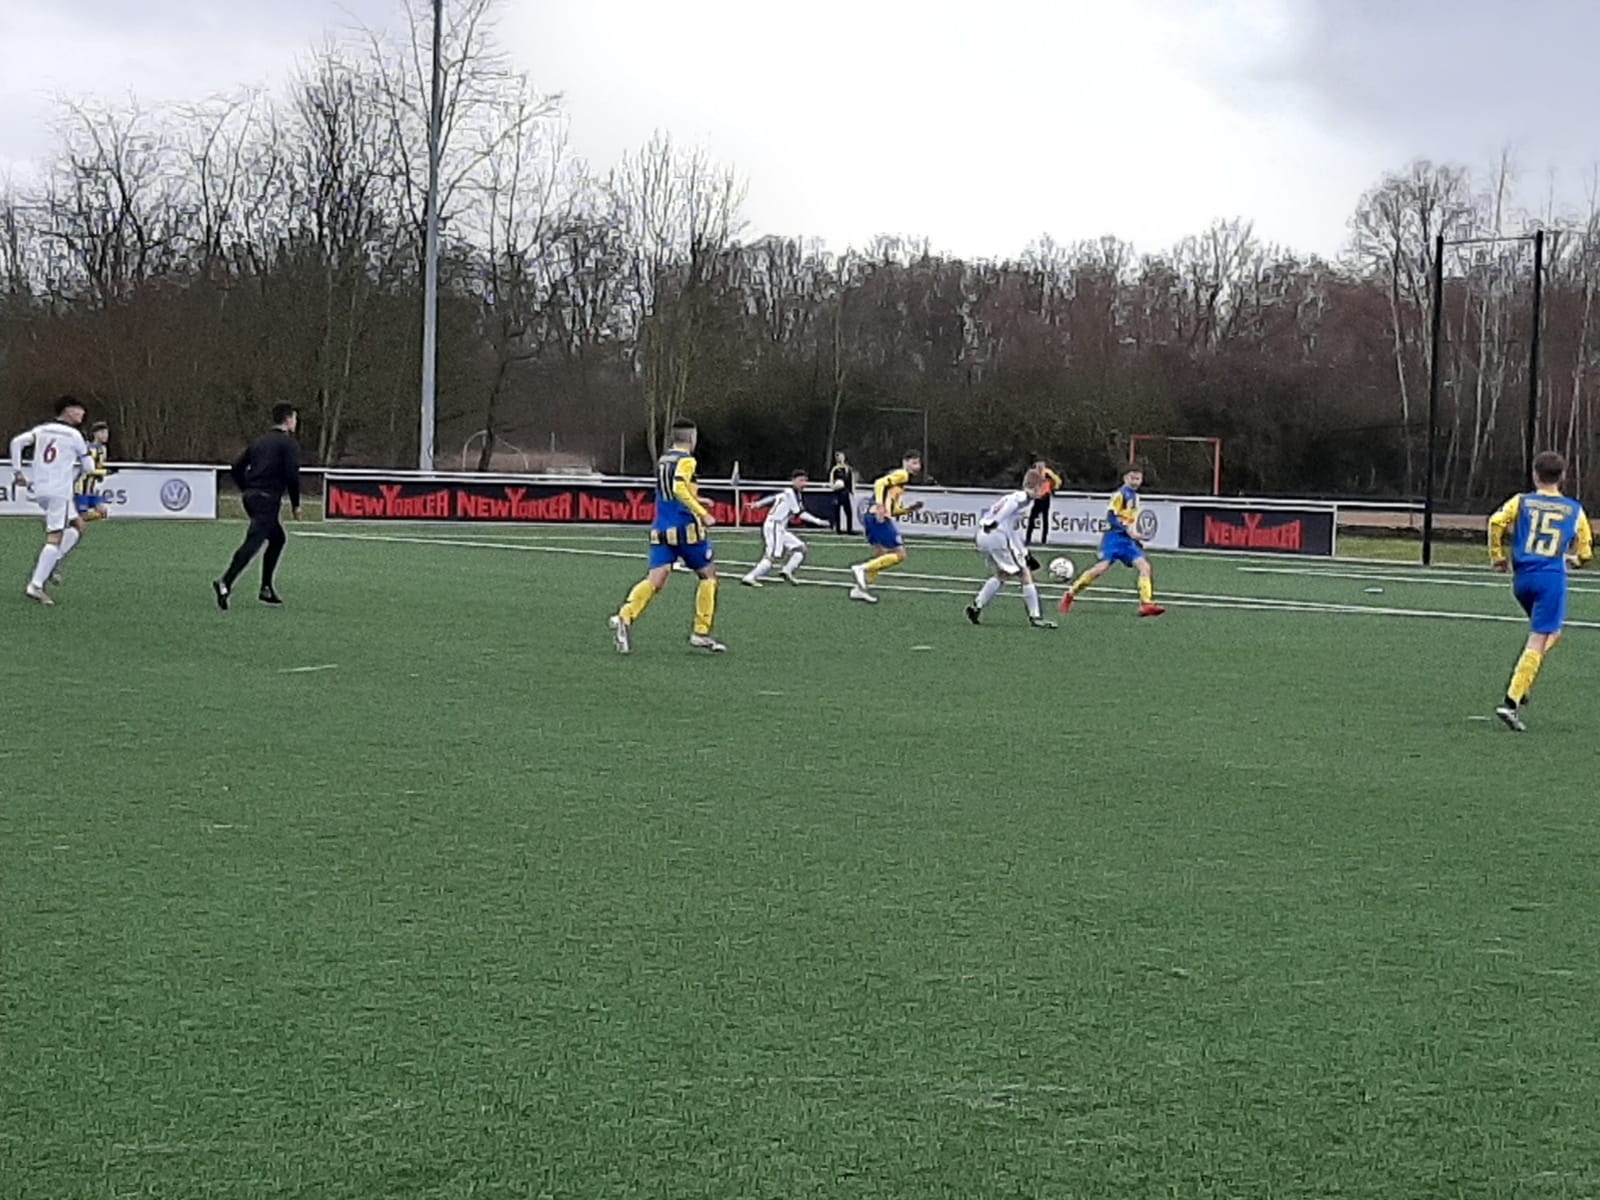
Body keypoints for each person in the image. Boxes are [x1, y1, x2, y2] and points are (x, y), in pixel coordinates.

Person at [1488, 450, 1592, 732]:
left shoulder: (1521, 501)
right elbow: (1585, 549)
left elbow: (1496, 522)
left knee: (1552, 632)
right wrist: (1576, 560)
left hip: (1522, 579)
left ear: (1535, 475)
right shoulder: (1574, 509)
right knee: (1539, 639)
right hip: (1550, 579)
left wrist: (1497, 556)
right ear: (1563, 476)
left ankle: (1525, 681)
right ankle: (1512, 700)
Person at [609, 418, 725, 653]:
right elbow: (678, 488)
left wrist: (699, 499)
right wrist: (703, 513)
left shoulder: (664, 460)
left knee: (656, 578)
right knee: (708, 575)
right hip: (685, 530)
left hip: (661, 527)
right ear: (692, 438)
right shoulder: (687, 460)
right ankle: (701, 631)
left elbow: (668, 491)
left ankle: (626, 615)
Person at [9, 396, 96, 606]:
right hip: (59, 491)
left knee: (78, 525)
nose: (82, 414)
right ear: (68, 411)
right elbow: (90, 468)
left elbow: (16, 442)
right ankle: (36, 584)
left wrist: (18, 471)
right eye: (79, 410)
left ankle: (51, 564)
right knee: (55, 537)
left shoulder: (42, 429)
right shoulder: (74, 435)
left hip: (41, 488)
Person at [213, 404, 302, 610]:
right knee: (254, 541)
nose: (296, 423)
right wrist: (296, 504)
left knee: (277, 539)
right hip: (267, 499)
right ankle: (225, 582)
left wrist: (247, 488)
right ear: (288, 420)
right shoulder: (288, 444)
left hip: (251, 498)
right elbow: (292, 475)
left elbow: (236, 468)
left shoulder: (259, 442)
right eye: (295, 418)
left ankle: (266, 588)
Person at [1057, 465, 1165, 617]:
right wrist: (1127, 530)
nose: (1135, 481)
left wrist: (1133, 536)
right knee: (1099, 569)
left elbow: (1128, 519)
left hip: (1127, 541)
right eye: (1132, 478)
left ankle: (1146, 604)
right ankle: (1070, 594)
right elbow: (1111, 517)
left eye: (1138, 478)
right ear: (1125, 478)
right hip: (1114, 538)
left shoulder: (1136, 497)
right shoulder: (1119, 495)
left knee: (1145, 567)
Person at [965, 469, 1057, 628]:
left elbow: (1011, 531)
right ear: (1035, 487)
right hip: (996, 534)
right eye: (1042, 487)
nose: (1044, 491)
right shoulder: (1022, 497)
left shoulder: (1017, 498)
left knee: (1003, 574)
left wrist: (1025, 553)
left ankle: (977, 606)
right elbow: (1009, 508)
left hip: (984, 536)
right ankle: (1035, 617)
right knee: (1024, 573)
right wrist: (995, 522)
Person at [848, 451, 923, 604]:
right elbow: (879, 483)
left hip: (871, 517)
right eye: (914, 463)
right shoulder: (902, 474)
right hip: (878, 517)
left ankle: (860, 589)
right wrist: (880, 506)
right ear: (905, 462)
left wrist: (909, 510)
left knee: (880, 554)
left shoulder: (899, 484)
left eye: (919, 463)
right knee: (900, 554)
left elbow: (894, 510)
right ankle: (861, 569)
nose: (917, 467)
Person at [741, 470, 832, 587]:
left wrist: (758, 504)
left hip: (780, 527)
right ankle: (750, 577)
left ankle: (787, 570)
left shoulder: (792, 493)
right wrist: (818, 521)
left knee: (801, 548)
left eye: (805, 481)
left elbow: (773, 498)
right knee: (772, 556)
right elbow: (799, 513)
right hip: (774, 525)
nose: (804, 484)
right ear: (793, 481)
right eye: (801, 480)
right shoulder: (790, 493)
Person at [1025, 459, 1063, 547]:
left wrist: (1053, 485)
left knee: (1045, 519)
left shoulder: (1048, 473)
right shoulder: (1034, 474)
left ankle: (1043, 540)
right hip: (1038, 497)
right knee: (1032, 519)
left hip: (1045, 497)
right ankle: (1028, 539)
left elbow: (1058, 481)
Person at [828, 451, 855, 534]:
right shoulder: (835, 469)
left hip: (845, 492)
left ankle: (849, 529)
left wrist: (851, 491)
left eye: (841, 456)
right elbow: (831, 481)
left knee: (848, 511)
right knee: (837, 511)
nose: (840, 458)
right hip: (837, 492)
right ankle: (838, 529)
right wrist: (834, 487)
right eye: (838, 457)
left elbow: (851, 480)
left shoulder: (848, 469)